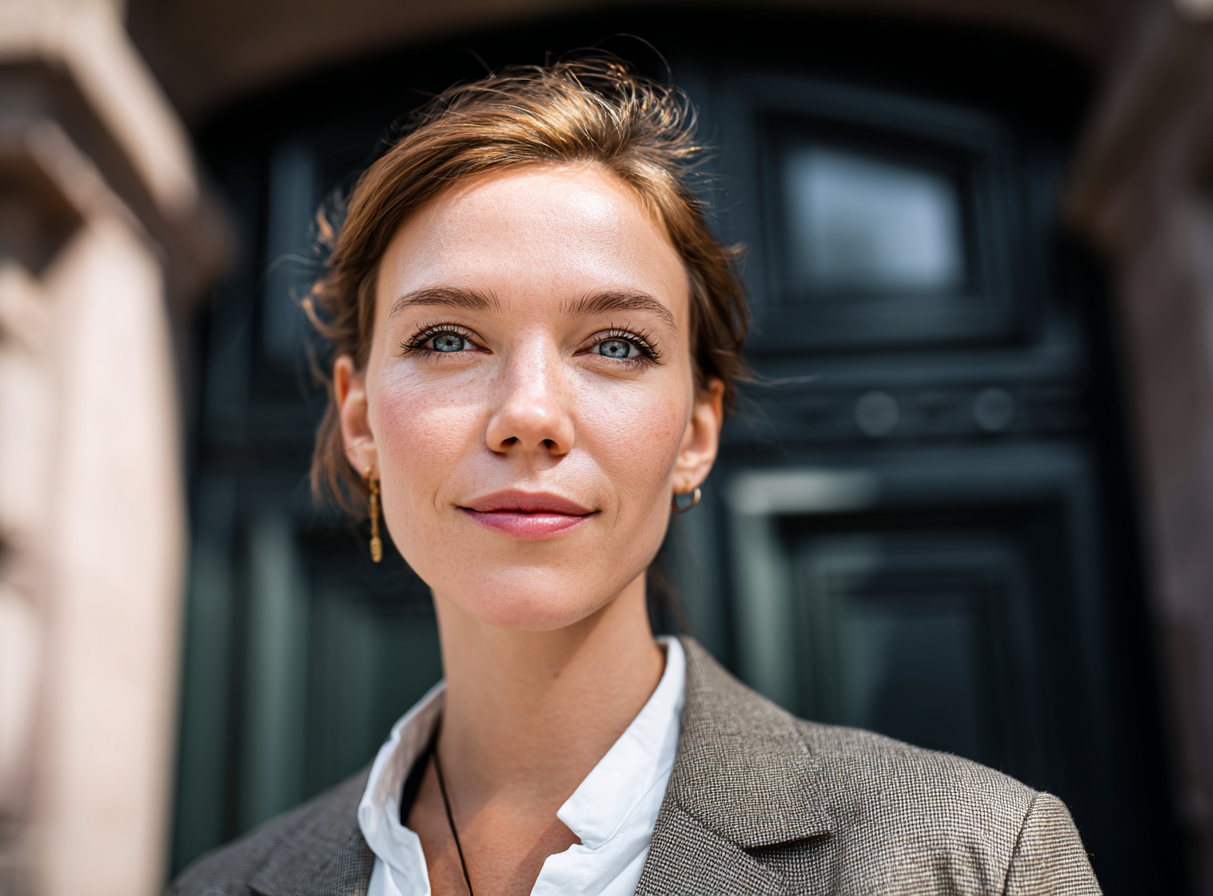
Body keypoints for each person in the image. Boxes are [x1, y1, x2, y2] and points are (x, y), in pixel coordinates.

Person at [170, 59, 1100, 896]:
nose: (529, 414)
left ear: (698, 431)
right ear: (361, 418)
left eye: (615, 344)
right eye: (446, 338)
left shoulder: (972, 862)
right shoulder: (222, 888)